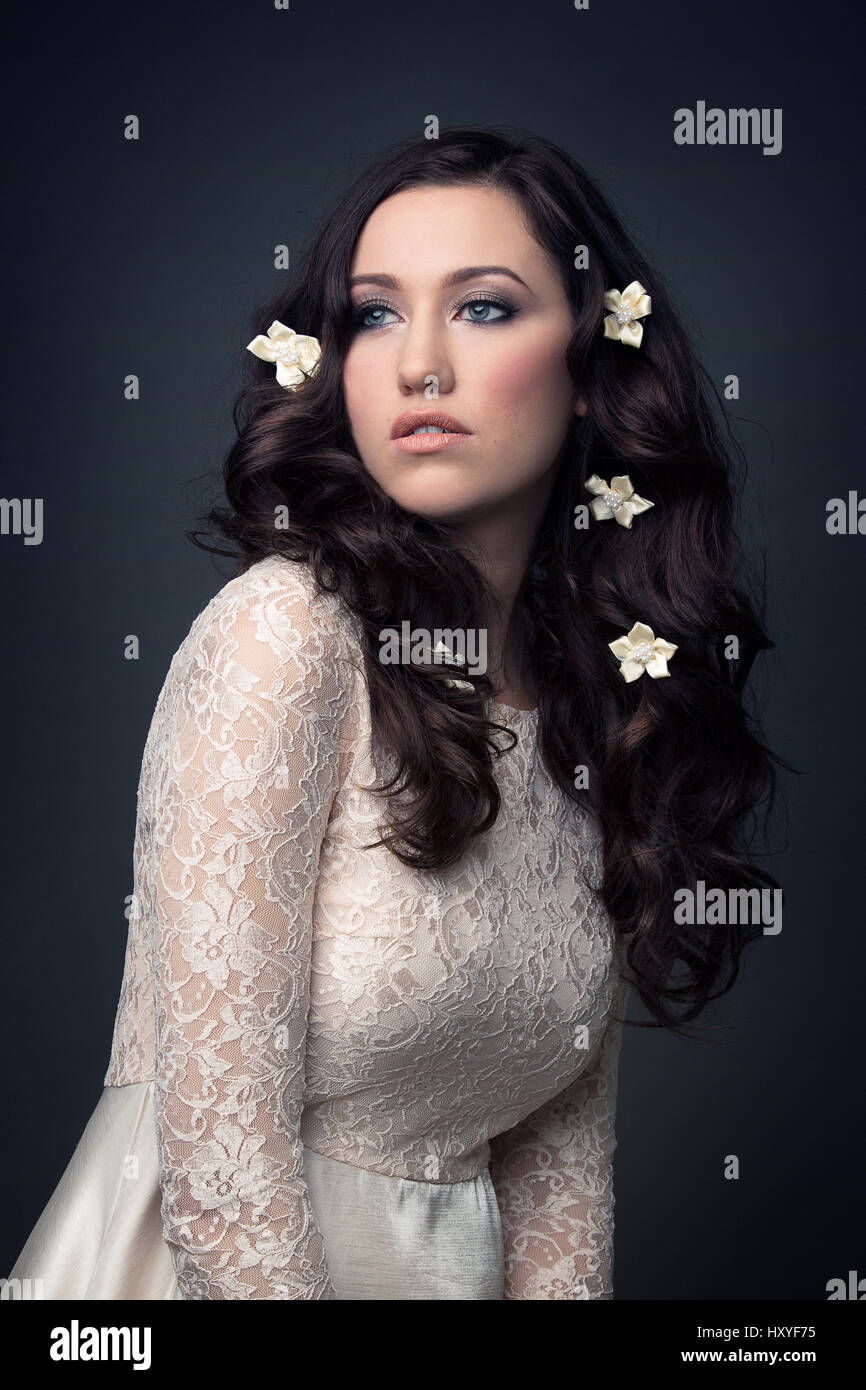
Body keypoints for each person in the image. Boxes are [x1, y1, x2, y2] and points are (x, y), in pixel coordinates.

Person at [8, 126, 782, 1300]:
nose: (419, 363)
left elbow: (560, 1192)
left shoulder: (598, 708)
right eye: (373, 314)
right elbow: (221, 1171)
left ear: (592, 366)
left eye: (480, 308)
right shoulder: (284, 638)